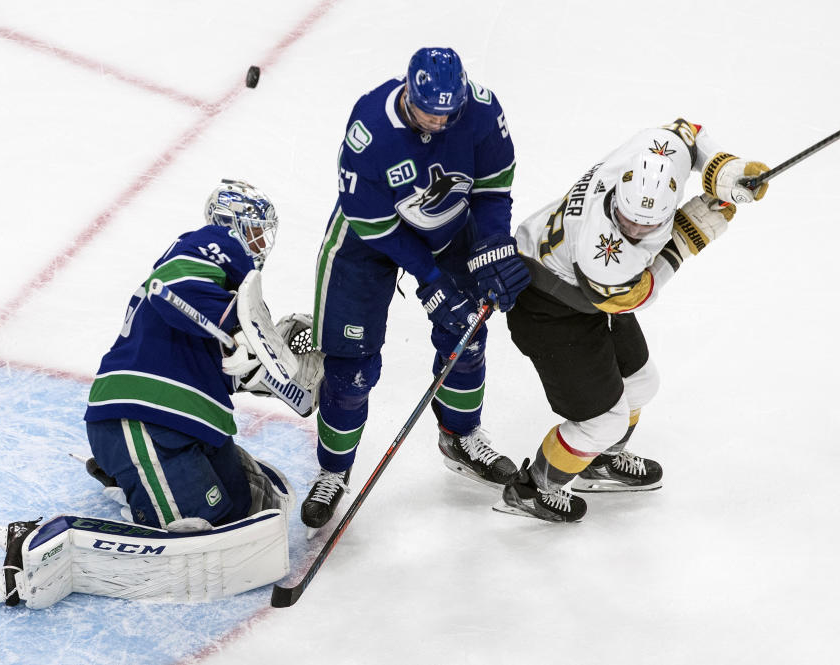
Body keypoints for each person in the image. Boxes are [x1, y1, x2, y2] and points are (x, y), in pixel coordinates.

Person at [0, 179, 324, 608]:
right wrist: (239, 329)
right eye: (255, 230)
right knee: (203, 533)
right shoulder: (210, 244)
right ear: (231, 224)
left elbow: (216, 367)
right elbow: (174, 285)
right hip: (144, 420)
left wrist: (268, 365)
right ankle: (33, 544)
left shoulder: (219, 296)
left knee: (243, 512)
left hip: (184, 421)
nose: (259, 242)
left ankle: (130, 480)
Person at [496, 119, 770, 522]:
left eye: (648, 224)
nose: (633, 228)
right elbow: (632, 297)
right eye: (626, 219)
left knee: (641, 383)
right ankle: (533, 488)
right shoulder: (602, 254)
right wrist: (687, 235)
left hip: (581, 294)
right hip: (548, 308)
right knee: (602, 423)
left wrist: (725, 171)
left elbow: (688, 134)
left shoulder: (656, 151)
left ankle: (597, 462)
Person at [305, 47, 531, 530]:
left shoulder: (482, 111)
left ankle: (460, 437)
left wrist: (492, 246)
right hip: (368, 240)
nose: (440, 121)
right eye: (430, 111)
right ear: (408, 91)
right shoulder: (371, 128)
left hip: (449, 225)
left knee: (467, 336)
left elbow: (493, 189)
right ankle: (333, 470)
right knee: (351, 371)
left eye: (449, 113)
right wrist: (429, 279)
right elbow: (373, 222)